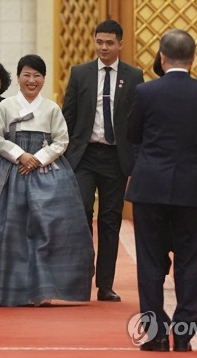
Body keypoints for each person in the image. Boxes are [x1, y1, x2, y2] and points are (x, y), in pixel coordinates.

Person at [0, 54, 94, 307]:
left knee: (47, 229)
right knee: (6, 230)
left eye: (37, 75)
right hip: (8, 169)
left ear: (44, 79)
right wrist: (20, 155)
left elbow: (62, 140)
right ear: (18, 78)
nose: (31, 80)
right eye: (26, 75)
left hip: (46, 172)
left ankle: (43, 289)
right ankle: (9, 288)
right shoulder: (6, 107)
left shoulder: (51, 108)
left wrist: (38, 158)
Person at [126, 29, 197, 352]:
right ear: (193, 59)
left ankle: (154, 334)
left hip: (150, 185)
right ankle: (183, 333)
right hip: (192, 188)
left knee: (150, 262)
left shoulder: (145, 92)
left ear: (162, 58)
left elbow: (132, 132)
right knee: (189, 262)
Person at [62, 19, 144, 302]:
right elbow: (68, 116)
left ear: (120, 44)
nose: (104, 47)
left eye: (110, 43)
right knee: (82, 212)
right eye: (99, 42)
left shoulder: (134, 76)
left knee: (110, 221)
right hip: (84, 156)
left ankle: (105, 285)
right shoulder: (80, 73)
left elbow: (137, 122)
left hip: (116, 158)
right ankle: (82, 277)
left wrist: (136, 160)